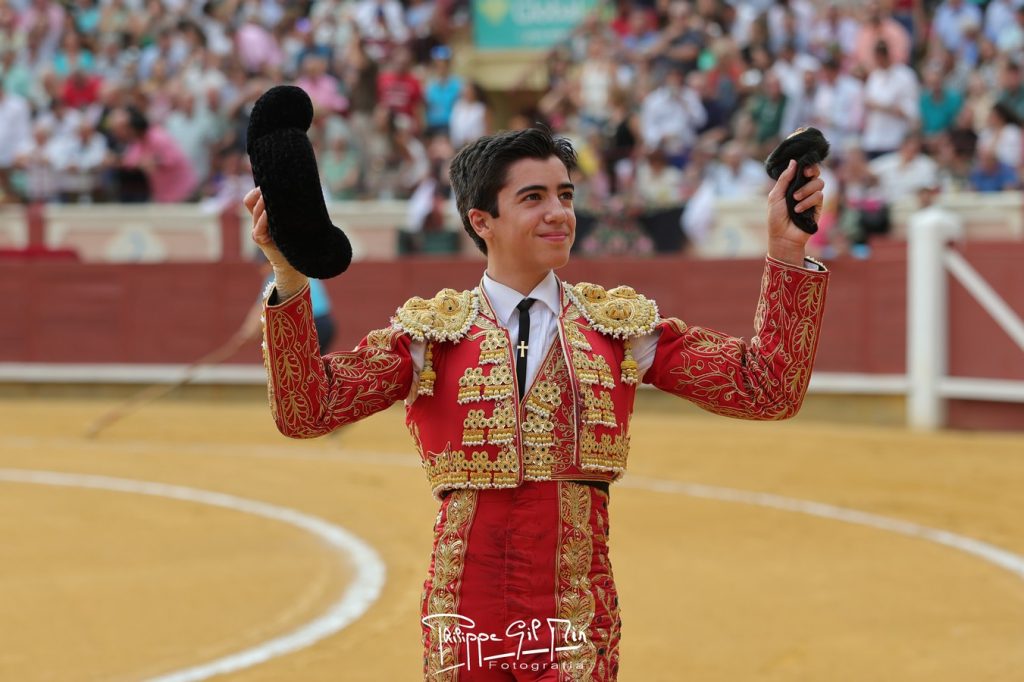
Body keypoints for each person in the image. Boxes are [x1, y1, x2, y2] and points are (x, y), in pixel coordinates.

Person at [246, 127, 829, 680]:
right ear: (483, 221)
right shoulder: (432, 334)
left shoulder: (618, 327)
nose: (559, 212)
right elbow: (308, 410)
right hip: (463, 612)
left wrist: (785, 249)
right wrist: (290, 277)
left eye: (565, 195)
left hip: (573, 611)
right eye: (533, 197)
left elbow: (767, 389)